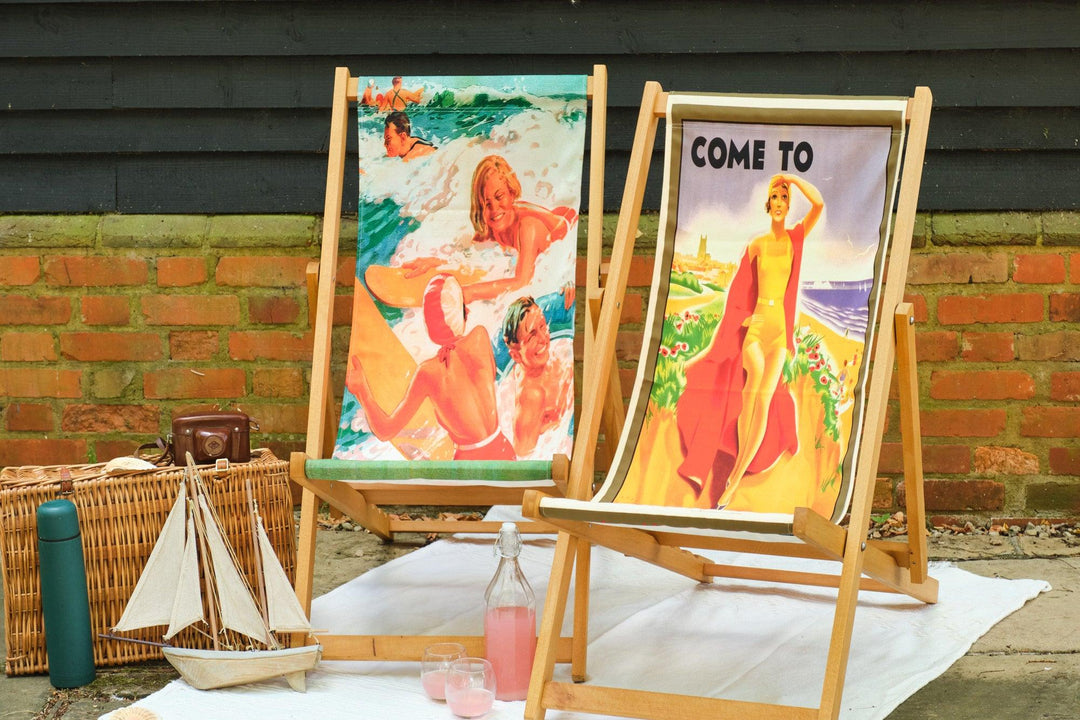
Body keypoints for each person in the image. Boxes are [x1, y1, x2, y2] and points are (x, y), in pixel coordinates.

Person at [676, 174, 824, 508]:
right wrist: (743, 318)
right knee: (753, 384)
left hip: (779, 333)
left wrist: (791, 180)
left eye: (784, 198)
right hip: (757, 328)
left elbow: (818, 203)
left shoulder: (795, 239)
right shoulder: (757, 244)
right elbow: (739, 290)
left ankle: (735, 477)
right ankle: (735, 474)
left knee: (765, 398)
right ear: (768, 204)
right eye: (775, 197)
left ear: (788, 205)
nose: (779, 202)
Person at [346, 274, 514, 460]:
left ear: (429, 323)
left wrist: (361, 390)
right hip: (503, 450)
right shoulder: (479, 337)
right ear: (461, 312)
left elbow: (386, 431)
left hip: (469, 463)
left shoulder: (428, 372)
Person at [459, 155, 578, 304]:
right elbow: (465, 257)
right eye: (486, 203)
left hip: (565, 226)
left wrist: (471, 292)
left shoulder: (529, 226)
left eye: (499, 197)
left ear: (512, 193)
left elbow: (522, 283)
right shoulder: (490, 227)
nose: (494, 208)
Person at [501, 296, 573, 457]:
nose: (543, 338)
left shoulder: (544, 361)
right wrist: (554, 423)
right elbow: (523, 455)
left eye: (542, 326)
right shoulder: (531, 396)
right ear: (516, 355)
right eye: (532, 336)